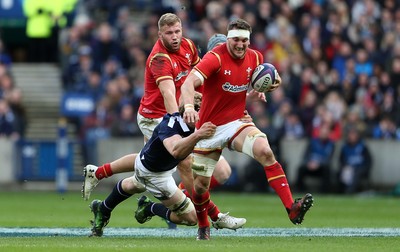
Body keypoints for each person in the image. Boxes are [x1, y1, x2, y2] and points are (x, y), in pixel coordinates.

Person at [83, 13, 245, 231]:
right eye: (169, 33)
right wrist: (176, 123)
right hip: (156, 117)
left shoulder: (188, 46)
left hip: (179, 111)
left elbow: (200, 81)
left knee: (146, 175)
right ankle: (214, 216)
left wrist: (226, 106)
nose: (175, 37)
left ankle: (101, 179)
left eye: (177, 31)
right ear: (160, 34)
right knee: (179, 163)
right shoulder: (160, 59)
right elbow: (169, 94)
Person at [180, 18, 314, 240]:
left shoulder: (256, 57)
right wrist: (187, 107)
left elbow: (265, 79)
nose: (240, 45)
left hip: (237, 122)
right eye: (235, 40)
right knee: (201, 188)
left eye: (244, 40)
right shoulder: (214, 59)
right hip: (209, 129)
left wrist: (269, 85)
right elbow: (187, 84)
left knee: (266, 151)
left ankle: (291, 207)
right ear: (228, 39)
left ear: (248, 41)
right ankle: (203, 226)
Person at [88, 96, 222, 236]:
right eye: (201, 111)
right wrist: (211, 209)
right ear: (188, 113)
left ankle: (103, 207)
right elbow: (176, 151)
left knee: (134, 184)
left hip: (157, 167)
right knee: (191, 218)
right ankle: (149, 208)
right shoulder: (170, 126)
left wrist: (241, 119)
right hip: (155, 175)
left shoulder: (192, 125)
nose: (205, 116)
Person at [295, 125, 335, 193]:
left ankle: (324, 192)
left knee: (327, 169)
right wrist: (309, 163)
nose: (323, 135)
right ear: (319, 133)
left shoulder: (331, 144)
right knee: (301, 168)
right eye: (322, 133)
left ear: (328, 134)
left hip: (321, 167)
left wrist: (318, 164)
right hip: (310, 165)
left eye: (325, 133)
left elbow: (328, 159)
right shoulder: (312, 142)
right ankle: (300, 190)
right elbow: (305, 155)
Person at [337, 127, 372, 194]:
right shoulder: (345, 146)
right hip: (348, 167)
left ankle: (349, 192)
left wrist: (365, 168)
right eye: (351, 134)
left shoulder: (362, 146)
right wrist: (344, 167)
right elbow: (341, 160)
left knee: (356, 173)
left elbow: (368, 160)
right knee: (341, 173)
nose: (352, 136)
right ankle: (341, 192)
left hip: (360, 168)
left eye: (354, 134)